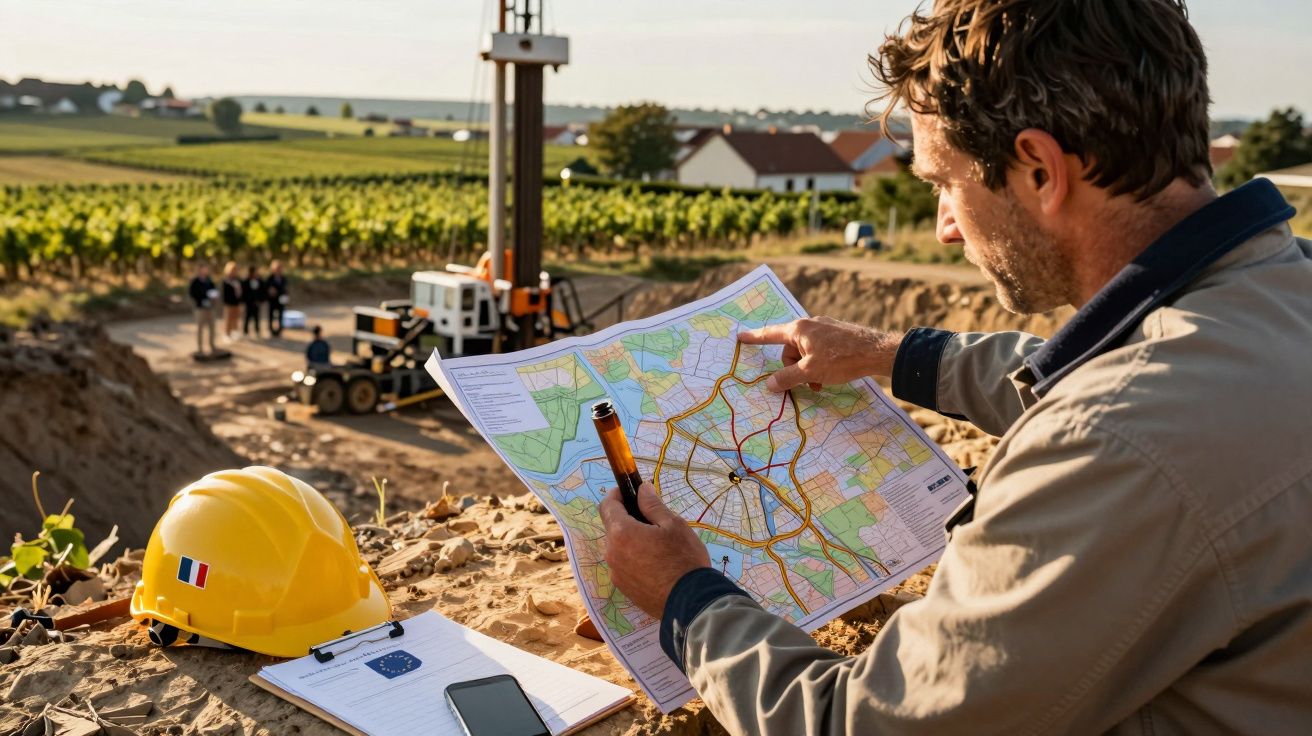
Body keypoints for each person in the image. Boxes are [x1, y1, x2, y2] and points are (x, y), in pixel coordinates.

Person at [598, 1, 1312, 733]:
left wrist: (688, 597)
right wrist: (892, 356)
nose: (944, 226)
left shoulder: (1121, 442)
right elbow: (1119, 376)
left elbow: (867, 724)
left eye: (945, 182)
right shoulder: (1276, 294)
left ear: (1039, 169)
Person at [187, 262, 218, 355]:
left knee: (212, 327)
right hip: (200, 308)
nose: (205, 270)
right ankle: (200, 347)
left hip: (210, 307)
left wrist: (213, 297)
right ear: (199, 269)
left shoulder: (209, 280)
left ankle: (212, 345)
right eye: (204, 268)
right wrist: (201, 299)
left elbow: (214, 290)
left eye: (206, 268)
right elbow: (192, 294)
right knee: (200, 328)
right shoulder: (195, 281)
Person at [266, 260, 289, 338]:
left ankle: (279, 330)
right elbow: (267, 288)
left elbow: (285, 289)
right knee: (271, 315)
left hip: (280, 300)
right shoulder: (270, 278)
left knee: (281, 316)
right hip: (272, 300)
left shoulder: (283, 278)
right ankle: (271, 330)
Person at [220, 261, 242, 340]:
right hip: (228, 303)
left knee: (235, 318)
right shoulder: (225, 280)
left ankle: (234, 332)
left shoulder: (238, 280)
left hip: (236, 302)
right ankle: (227, 333)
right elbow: (224, 293)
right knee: (228, 319)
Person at [242, 265, 265, 338]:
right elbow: (244, 292)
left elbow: (262, 291)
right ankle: (245, 332)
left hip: (256, 303)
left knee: (257, 318)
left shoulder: (259, 281)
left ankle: (257, 331)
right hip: (249, 303)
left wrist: (260, 300)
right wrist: (246, 301)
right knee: (247, 317)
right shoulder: (246, 281)